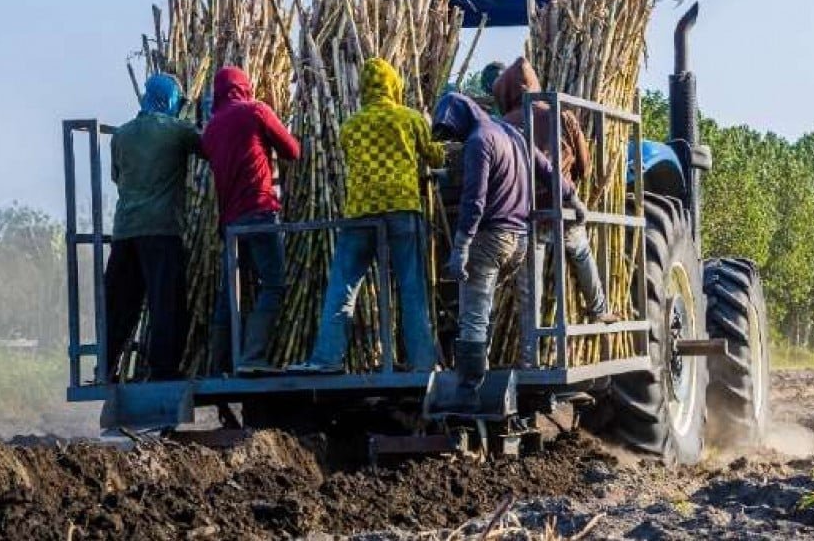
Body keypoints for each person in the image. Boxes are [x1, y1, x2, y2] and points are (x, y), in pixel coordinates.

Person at [431, 92, 585, 412]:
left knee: (472, 313)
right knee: (482, 306)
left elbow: (475, 200)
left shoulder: (479, 141)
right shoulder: (512, 134)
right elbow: (548, 170)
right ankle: (481, 375)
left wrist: (460, 247)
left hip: (491, 238)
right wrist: (573, 198)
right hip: (520, 241)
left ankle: (468, 392)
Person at [290, 57, 445, 374]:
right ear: (392, 85)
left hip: (361, 211)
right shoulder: (409, 119)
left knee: (343, 286)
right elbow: (435, 154)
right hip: (402, 207)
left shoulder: (350, 126)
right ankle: (423, 362)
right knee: (411, 287)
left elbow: (352, 156)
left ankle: (327, 359)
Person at [492, 57, 616, 324]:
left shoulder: (503, 125)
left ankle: (532, 350)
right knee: (581, 252)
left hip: (526, 211)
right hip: (564, 205)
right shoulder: (562, 116)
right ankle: (599, 309)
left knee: (531, 285)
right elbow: (585, 167)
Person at [202, 65, 301, 373]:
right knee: (273, 284)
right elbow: (292, 151)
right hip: (259, 212)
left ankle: (218, 363)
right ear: (244, 87)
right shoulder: (255, 111)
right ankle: (252, 358)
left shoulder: (212, 128)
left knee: (229, 293)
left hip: (230, 222)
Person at [104, 74, 201, 380]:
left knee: (120, 304)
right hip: (161, 230)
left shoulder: (120, 134)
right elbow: (211, 149)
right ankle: (163, 370)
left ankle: (105, 365)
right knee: (165, 303)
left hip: (125, 231)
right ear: (172, 101)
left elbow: (116, 177)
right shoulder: (178, 131)